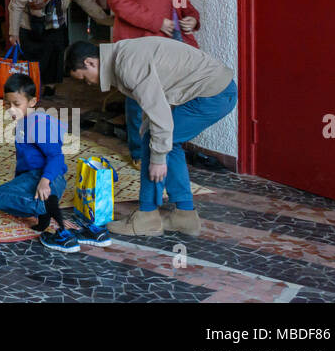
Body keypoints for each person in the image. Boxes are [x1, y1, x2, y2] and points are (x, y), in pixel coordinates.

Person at [65, 37, 237, 237]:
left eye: (84, 78)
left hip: (214, 94)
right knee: (158, 140)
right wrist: (149, 136)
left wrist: (157, 159)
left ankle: (147, 216)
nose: (88, 83)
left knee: (159, 143)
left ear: (90, 62)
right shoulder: (120, 57)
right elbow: (152, 102)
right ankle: (184, 216)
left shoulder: (127, 63)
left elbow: (159, 112)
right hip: (214, 92)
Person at [106, 0, 202, 164]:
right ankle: (139, 151)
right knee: (140, 97)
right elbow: (118, 2)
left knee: (169, 95)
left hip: (171, 41)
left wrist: (191, 16)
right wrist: (156, 21)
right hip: (139, 41)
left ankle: (163, 146)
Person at [0, 72, 101, 252]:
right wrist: (17, 183)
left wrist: (44, 181)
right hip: (34, 178)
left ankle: (45, 208)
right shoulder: (24, 121)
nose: (11, 109)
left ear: (32, 102)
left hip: (49, 179)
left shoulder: (37, 123)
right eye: (8, 104)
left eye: (16, 104)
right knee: (3, 196)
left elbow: (56, 157)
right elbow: (24, 163)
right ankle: (42, 210)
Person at [8, 0, 112, 98]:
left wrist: (103, 19)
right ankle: (31, 89)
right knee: (33, 60)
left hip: (56, 22)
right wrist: (13, 32)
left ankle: (49, 88)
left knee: (54, 56)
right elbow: (16, 4)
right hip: (32, 23)